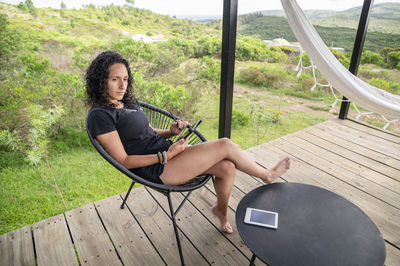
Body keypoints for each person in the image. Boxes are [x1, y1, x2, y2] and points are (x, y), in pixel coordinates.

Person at [86, 51, 290, 234]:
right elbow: (125, 160)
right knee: (224, 144)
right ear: (101, 81)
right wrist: (166, 156)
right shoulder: (100, 116)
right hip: (156, 168)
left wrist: (170, 132)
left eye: (125, 79)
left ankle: (220, 210)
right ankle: (266, 175)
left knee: (227, 167)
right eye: (115, 79)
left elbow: (145, 132)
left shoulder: (127, 100)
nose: (122, 85)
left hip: (166, 152)